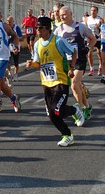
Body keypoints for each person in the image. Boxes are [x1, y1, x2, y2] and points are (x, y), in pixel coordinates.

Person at [26, 16, 84, 147]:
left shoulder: (58, 41)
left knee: (54, 113)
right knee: (56, 112)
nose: (37, 30)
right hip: (46, 83)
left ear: (47, 29)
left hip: (61, 81)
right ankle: (74, 111)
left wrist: (72, 68)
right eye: (36, 28)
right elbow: (38, 64)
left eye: (40, 28)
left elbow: (73, 51)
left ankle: (67, 135)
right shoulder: (37, 44)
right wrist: (31, 64)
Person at [55, 6, 96, 121]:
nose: (62, 17)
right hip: (67, 62)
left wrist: (88, 49)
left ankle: (80, 110)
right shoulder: (59, 29)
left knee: (74, 83)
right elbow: (54, 43)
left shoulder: (80, 27)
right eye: (61, 15)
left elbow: (93, 39)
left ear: (71, 14)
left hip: (79, 60)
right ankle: (87, 106)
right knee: (76, 86)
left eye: (64, 14)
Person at [86, 5, 103, 76]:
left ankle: (100, 67)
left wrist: (98, 27)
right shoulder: (87, 19)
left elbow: (104, 29)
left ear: (97, 11)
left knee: (99, 53)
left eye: (94, 10)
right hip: (90, 38)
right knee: (89, 53)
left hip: (98, 38)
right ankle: (91, 68)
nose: (93, 12)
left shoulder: (100, 19)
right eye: (91, 10)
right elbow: (86, 28)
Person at [6, 15, 23, 82]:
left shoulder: (16, 28)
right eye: (7, 21)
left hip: (15, 46)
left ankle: (16, 74)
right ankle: (10, 72)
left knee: (16, 62)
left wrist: (15, 38)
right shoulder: (5, 28)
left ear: (13, 21)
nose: (8, 22)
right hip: (8, 46)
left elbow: (21, 37)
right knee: (7, 61)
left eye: (10, 21)